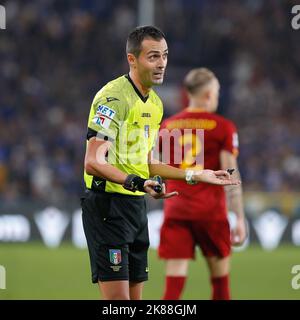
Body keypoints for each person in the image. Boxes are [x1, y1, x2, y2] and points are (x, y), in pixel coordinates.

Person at [81, 27, 240, 300]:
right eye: (153, 56)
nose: (162, 63)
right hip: (107, 207)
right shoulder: (113, 99)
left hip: (135, 208)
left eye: (165, 56)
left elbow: (146, 162)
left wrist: (194, 174)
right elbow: (93, 162)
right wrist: (137, 182)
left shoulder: (155, 104)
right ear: (132, 60)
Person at [158, 68, 247, 300]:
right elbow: (230, 175)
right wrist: (239, 217)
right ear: (208, 95)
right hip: (211, 213)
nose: (217, 96)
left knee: (173, 289)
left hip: (176, 211)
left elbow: (156, 167)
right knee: (220, 285)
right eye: (216, 91)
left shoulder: (168, 126)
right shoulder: (223, 127)